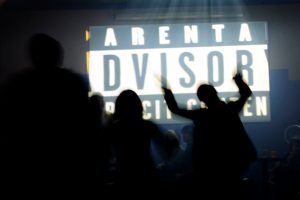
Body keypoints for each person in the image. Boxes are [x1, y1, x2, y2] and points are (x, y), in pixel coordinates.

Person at [0, 33, 94, 196]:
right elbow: (86, 127)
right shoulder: (75, 82)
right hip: (70, 169)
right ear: (59, 55)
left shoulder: (17, 84)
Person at [162, 72, 257, 199]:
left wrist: (168, 94)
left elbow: (175, 109)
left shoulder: (202, 115)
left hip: (210, 167)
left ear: (201, 99)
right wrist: (238, 81)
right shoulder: (230, 109)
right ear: (215, 92)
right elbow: (246, 93)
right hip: (234, 163)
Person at [108, 89, 164, 196]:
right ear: (139, 106)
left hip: (123, 177)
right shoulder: (148, 126)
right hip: (147, 176)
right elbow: (166, 149)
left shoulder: (114, 128)